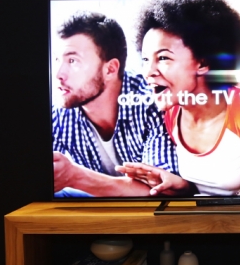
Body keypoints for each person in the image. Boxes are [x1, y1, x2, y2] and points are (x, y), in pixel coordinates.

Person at [117, 0, 240, 196]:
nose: (148, 72)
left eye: (163, 58)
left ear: (203, 63)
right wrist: (181, 187)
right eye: (145, 59)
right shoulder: (171, 115)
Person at [51, 11, 178, 197]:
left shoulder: (152, 101)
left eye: (72, 61)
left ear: (110, 69)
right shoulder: (60, 112)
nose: (58, 74)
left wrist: (76, 177)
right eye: (56, 59)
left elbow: (163, 191)